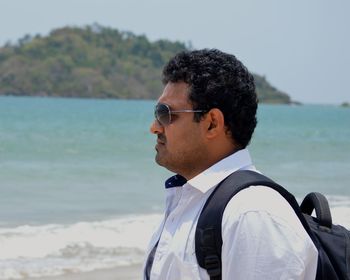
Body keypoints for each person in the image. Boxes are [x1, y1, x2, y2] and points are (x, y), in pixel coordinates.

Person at [144, 49, 318, 280]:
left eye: (164, 114)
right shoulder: (188, 201)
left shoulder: (252, 214)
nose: (154, 127)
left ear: (212, 124)